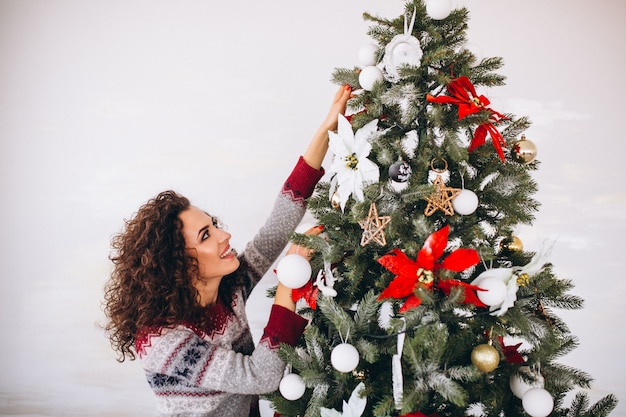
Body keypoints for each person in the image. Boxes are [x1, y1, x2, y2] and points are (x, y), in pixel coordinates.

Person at [103, 85, 353, 417]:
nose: (225, 235)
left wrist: (325, 129)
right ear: (180, 262)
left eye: (214, 224)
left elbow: (274, 230)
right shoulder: (163, 342)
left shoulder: (225, 290)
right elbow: (262, 376)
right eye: (207, 235)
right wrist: (288, 284)